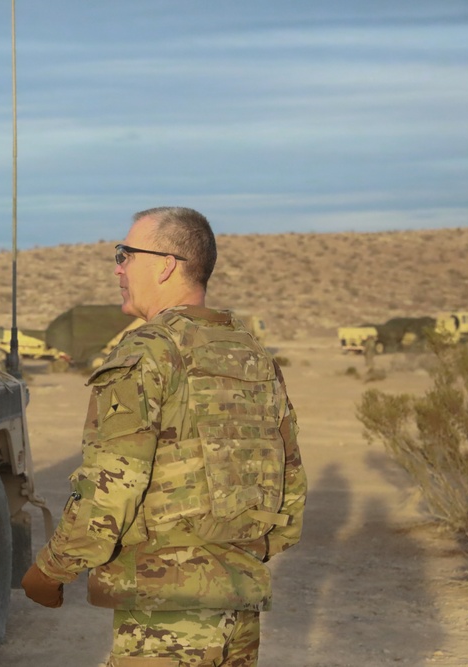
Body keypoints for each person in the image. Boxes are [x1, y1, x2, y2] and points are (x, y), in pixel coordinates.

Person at [21, 207, 306, 666]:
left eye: (125, 254)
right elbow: (289, 485)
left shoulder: (149, 352)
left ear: (166, 264)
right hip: (239, 605)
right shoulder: (253, 355)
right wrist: (238, 557)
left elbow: (112, 488)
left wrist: (51, 569)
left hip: (166, 617)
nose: (118, 267)